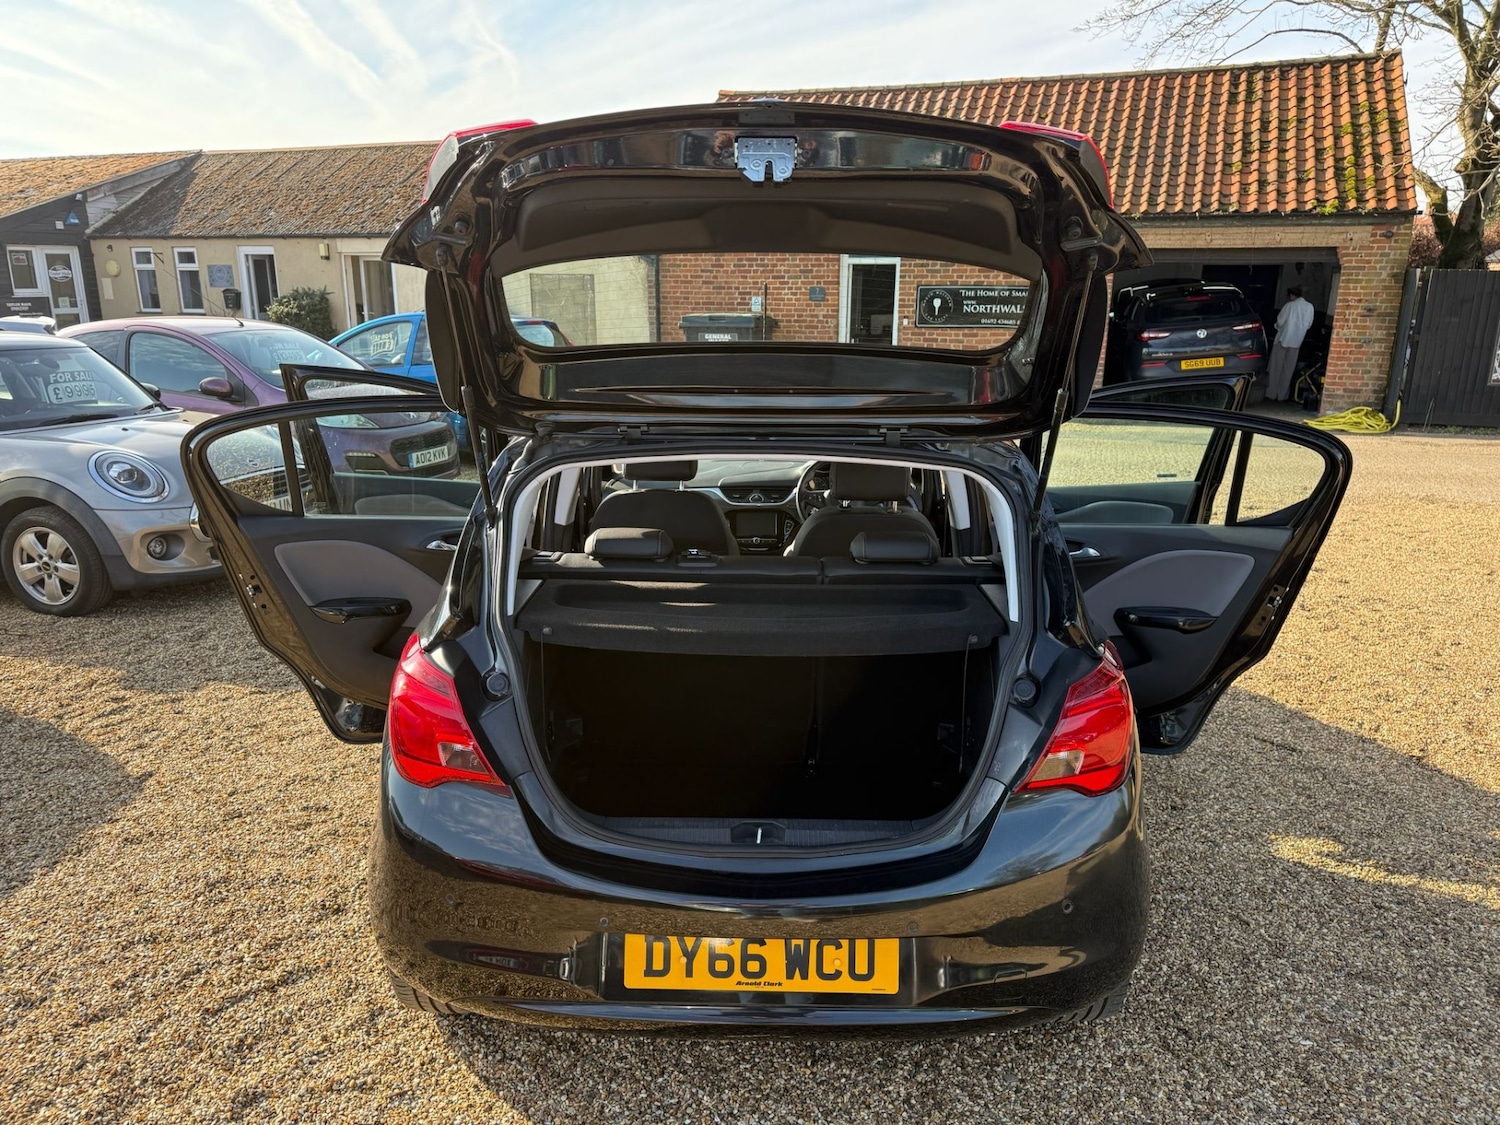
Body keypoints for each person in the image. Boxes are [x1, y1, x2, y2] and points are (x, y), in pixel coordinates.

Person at [1266, 286, 1315, 401]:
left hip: (1283, 339)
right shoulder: (1309, 307)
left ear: (1292, 295)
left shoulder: (1289, 306)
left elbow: (1280, 321)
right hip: (1297, 341)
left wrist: (1276, 327)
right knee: (1288, 369)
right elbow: (1309, 324)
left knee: (1276, 368)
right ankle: (1282, 395)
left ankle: (1272, 393)